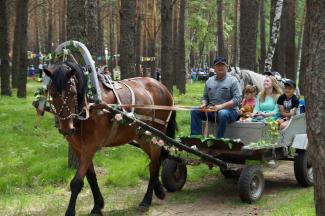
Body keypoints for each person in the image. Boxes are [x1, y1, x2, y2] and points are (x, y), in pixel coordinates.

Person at [190, 57, 242, 138]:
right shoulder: (209, 81)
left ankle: (219, 139)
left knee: (222, 113)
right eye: (218, 65)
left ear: (227, 67)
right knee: (195, 110)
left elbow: (238, 99)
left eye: (222, 65)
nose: (220, 67)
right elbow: (205, 97)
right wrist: (204, 103)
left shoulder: (233, 80)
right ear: (214, 68)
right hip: (212, 111)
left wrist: (221, 106)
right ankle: (195, 138)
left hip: (230, 112)